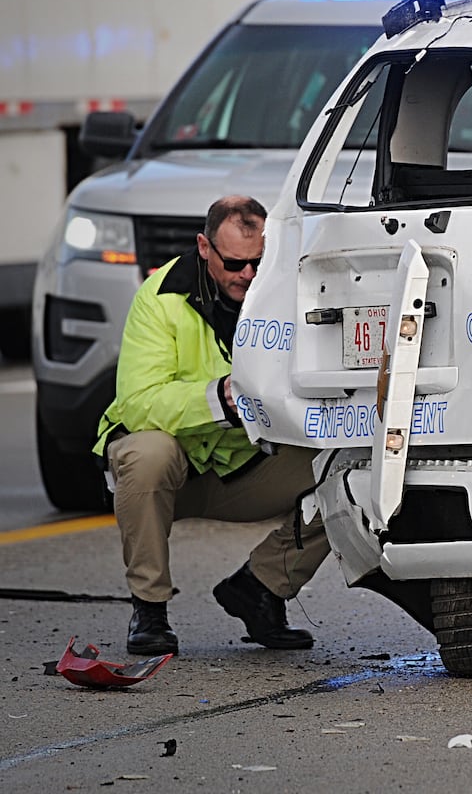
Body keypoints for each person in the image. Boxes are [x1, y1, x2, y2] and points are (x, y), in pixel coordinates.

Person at [95, 195, 330, 656]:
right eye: (236, 263)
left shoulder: (291, 290)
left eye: (258, 262)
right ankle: (150, 609)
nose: (248, 275)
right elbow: (138, 403)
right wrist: (219, 397)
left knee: (352, 472)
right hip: (173, 471)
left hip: (243, 464)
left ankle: (261, 587)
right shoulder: (160, 298)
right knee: (146, 454)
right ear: (205, 247)